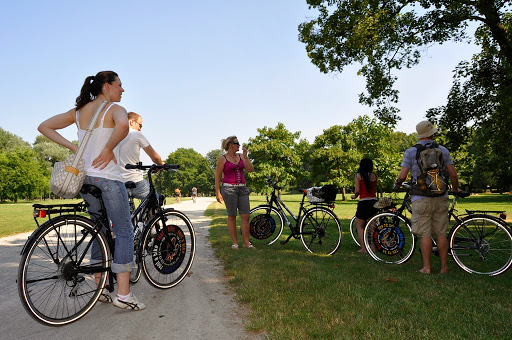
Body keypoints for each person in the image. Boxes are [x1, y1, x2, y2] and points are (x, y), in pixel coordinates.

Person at [38, 71, 145, 310]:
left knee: (98, 231)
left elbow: (44, 126)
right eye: (119, 85)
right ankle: (125, 295)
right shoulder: (115, 109)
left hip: (86, 181)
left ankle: (100, 289)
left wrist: (74, 147)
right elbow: (123, 127)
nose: (122, 89)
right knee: (125, 232)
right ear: (107, 86)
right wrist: (108, 149)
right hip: (108, 179)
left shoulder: (79, 112)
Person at [394, 120, 460, 274]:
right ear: (431, 133)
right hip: (441, 196)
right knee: (441, 233)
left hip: (421, 197)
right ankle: (444, 267)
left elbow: (403, 175)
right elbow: (453, 174)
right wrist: (455, 189)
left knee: (425, 234)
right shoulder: (443, 150)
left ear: (419, 135)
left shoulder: (410, 152)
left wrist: (397, 184)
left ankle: (427, 268)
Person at [215, 136, 255, 249]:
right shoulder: (222, 158)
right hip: (229, 189)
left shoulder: (242, 156)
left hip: (242, 188)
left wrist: (246, 157)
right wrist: (218, 192)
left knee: (246, 215)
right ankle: (235, 243)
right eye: (237, 143)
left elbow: (250, 170)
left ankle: (246, 243)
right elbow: (218, 176)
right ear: (231, 145)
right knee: (232, 215)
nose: (239, 145)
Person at [118, 111, 164, 199]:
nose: (140, 129)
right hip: (135, 180)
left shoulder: (114, 134)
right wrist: (161, 164)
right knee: (154, 201)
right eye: (140, 125)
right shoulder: (136, 134)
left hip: (117, 181)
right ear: (131, 122)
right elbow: (155, 157)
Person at [350, 158, 378, 253]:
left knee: (360, 226)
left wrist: (354, 196)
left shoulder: (358, 175)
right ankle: (373, 247)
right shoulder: (374, 175)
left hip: (364, 202)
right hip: (374, 202)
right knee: (373, 226)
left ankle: (364, 248)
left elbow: (357, 190)